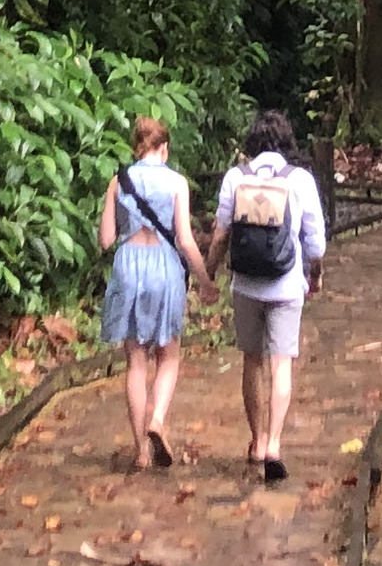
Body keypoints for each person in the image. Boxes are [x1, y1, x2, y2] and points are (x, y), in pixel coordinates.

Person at [207, 107, 328, 486]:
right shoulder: (301, 180)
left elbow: (221, 233)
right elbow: (317, 243)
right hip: (287, 284)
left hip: (245, 284)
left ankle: (257, 442)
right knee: (281, 365)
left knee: (252, 362)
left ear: (252, 142)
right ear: (287, 143)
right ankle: (275, 444)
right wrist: (315, 275)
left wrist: (208, 272)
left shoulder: (235, 178)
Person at [98, 114, 207, 470]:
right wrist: (206, 280)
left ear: (137, 146)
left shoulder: (119, 181)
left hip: (129, 264)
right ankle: (157, 419)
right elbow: (186, 241)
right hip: (164, 267)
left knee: (135, 361)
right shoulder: (177, 183)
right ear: (164, 148)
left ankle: (141, 452)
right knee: (169, 355)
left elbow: (105, 240)